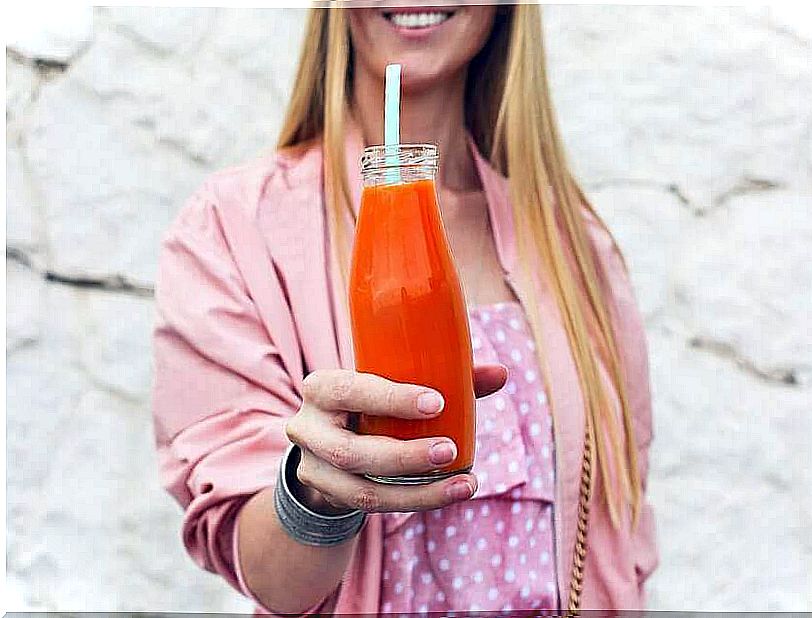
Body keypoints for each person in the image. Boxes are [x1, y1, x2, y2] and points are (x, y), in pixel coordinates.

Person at [152, 4, 658, 615]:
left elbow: (619, 536)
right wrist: (315, 493)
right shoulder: (235, 229)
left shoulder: (575, 245)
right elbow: (272, 577)